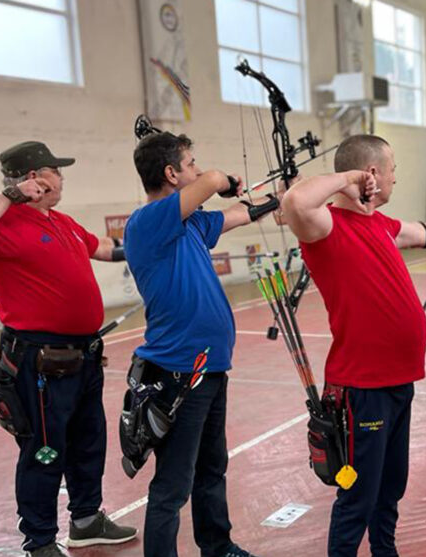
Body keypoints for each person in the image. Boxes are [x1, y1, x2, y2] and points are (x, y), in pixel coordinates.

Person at [0, 141, 136, 557]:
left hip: (83, 355)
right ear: (35, 178)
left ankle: (86, 520)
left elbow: (103, 248)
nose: (62, 178)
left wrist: (153, 247)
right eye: (56, 170)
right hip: (40, 360)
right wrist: (10, 196)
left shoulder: (62, 222)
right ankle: (40, 540)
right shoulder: (2, 224)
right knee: (45, 451)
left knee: (89, 441)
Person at [281, 134, 426, 557]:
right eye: (393, 170)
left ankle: (386, 551)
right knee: (358, 495)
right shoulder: (324, 224)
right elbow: (295, 202)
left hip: (399, 382)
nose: (396, 179)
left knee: (390, 485)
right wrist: (347, 179)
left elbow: (419, 232)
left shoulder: (381, 225)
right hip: (361, 387)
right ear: (372, 174)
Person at [124, 130, 276, 557]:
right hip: (177, 372)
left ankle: (218, 545)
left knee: (212, 467)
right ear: (172, 174)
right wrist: (224, 178)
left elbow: (239, 216)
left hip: (209, 369)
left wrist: (279, 196)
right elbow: (212, 182)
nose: (196, 168)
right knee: (173, 483)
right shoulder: (148, 222)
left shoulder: (189, 224)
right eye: (189, 163)